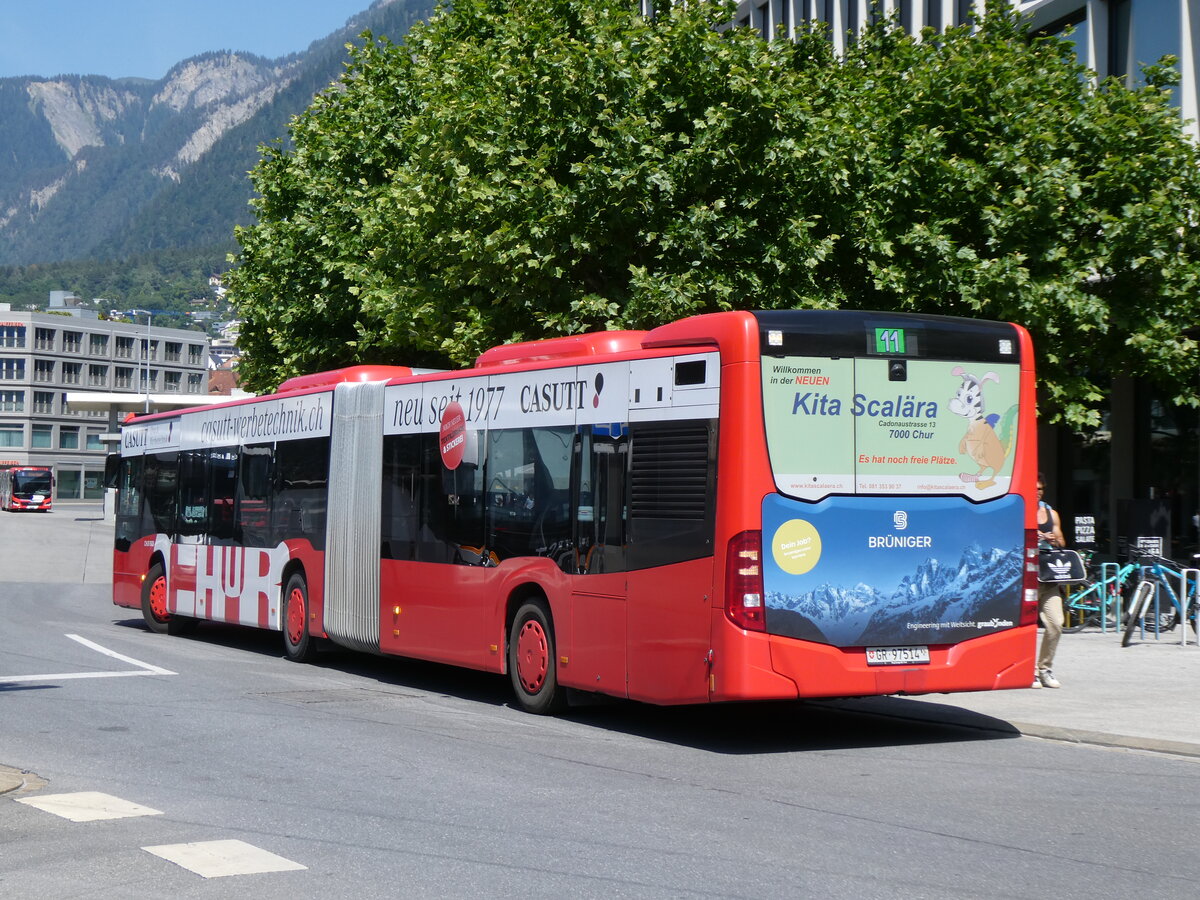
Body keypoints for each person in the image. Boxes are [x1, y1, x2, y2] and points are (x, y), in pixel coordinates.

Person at [1034, 474, 1066, 688]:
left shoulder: (1051, 513)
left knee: (1056, 623)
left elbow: (1062, 541)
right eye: (1034, 488)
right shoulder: (1020, 510)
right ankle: (1028, 671)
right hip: (1026, 576)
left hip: (1049, 575)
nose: (1038, 492)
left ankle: (1044, 668)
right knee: (1025, 627)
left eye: (1041, 489)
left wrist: (1054, 540)